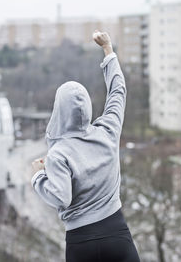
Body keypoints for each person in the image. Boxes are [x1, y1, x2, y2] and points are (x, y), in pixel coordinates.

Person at [31, 30, 140, 262]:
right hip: (117, 235)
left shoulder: (58, 154)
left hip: (81, 243)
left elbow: (61, 197)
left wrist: (39, 176)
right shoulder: (108, 131)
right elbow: (118, 91)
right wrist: (108, 49)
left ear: (57, 111)